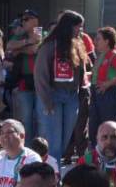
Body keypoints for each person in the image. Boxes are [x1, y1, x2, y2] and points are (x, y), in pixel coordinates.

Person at [34, 10, 91, 163]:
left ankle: (54, 172)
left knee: (65, 141)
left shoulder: (78, 44)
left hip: (72, 97)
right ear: (68, 26)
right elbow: (40, 75)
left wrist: (82, 95)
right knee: (54, 143)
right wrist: (46, 101)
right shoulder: (48, 46)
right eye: (77, 27)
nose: (80, 30)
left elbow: (82, 72)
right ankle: (53, 178)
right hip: (52, 96)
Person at [88, 27, 116, 146]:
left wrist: (108, 84)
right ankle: (97, 153)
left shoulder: (114, 55)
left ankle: (113, 152)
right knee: (95, 125)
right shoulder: (100, 55)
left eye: (98, 39)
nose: (95, 41)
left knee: (110, 126)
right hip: (97, 93)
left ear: (107, 41)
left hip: (110, 94)